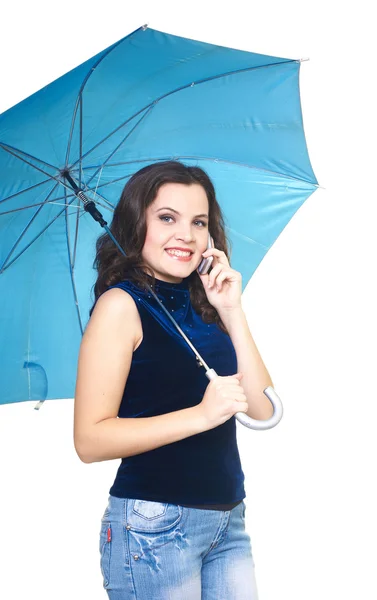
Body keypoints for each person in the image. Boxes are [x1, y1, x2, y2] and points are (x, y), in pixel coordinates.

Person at [73, 160, 274, 599]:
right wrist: (200, 416)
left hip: (227, 520)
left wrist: (231, 310)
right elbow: (90, 441)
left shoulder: (205, 303)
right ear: (136, 223)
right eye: (167, 218)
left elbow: (263, 408)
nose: (185, 234)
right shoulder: (120, 306)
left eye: (198, 222)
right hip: (155, 525)